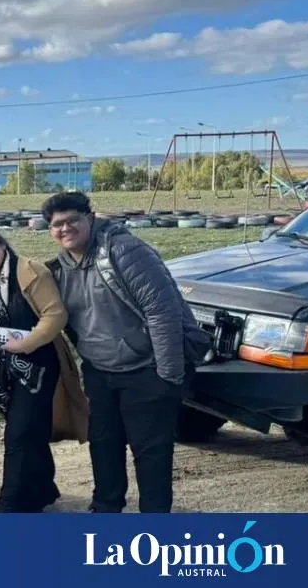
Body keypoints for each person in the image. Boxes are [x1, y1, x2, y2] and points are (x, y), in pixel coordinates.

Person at [42, 192, 206, 513]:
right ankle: (106, 507)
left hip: (147, 370)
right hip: (100, 373)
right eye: (57, 224)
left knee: (151, 451)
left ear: (90, 218)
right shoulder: (59, 269)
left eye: (73, 220)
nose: (65, 228)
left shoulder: (125, 251)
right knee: (104, 444)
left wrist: (167, 377)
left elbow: (162, 312)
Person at [0, 223, 86, 513]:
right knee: (32, 430)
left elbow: (55, 314)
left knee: (18, 435)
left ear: (2, 244)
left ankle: (11, 504)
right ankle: (42, 491)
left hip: (38, 365)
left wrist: (26, 344)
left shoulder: (30, 271)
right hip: (8, 366)